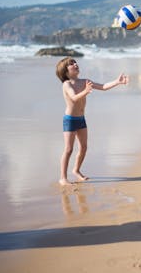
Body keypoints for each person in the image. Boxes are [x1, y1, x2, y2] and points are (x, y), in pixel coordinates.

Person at [55, 57, 129, 186]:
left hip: (81, 119)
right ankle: (63, 178)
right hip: (70, 120)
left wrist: (117, 82)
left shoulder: (85, 81)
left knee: (84, 147)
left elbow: (103, 86)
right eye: (71, 64)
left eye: (75, 62)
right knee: (68, 149)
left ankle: (76, 170)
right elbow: (73, 98)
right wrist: (85, 91)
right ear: (65, 71)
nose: (75, 64)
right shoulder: (67, 84)